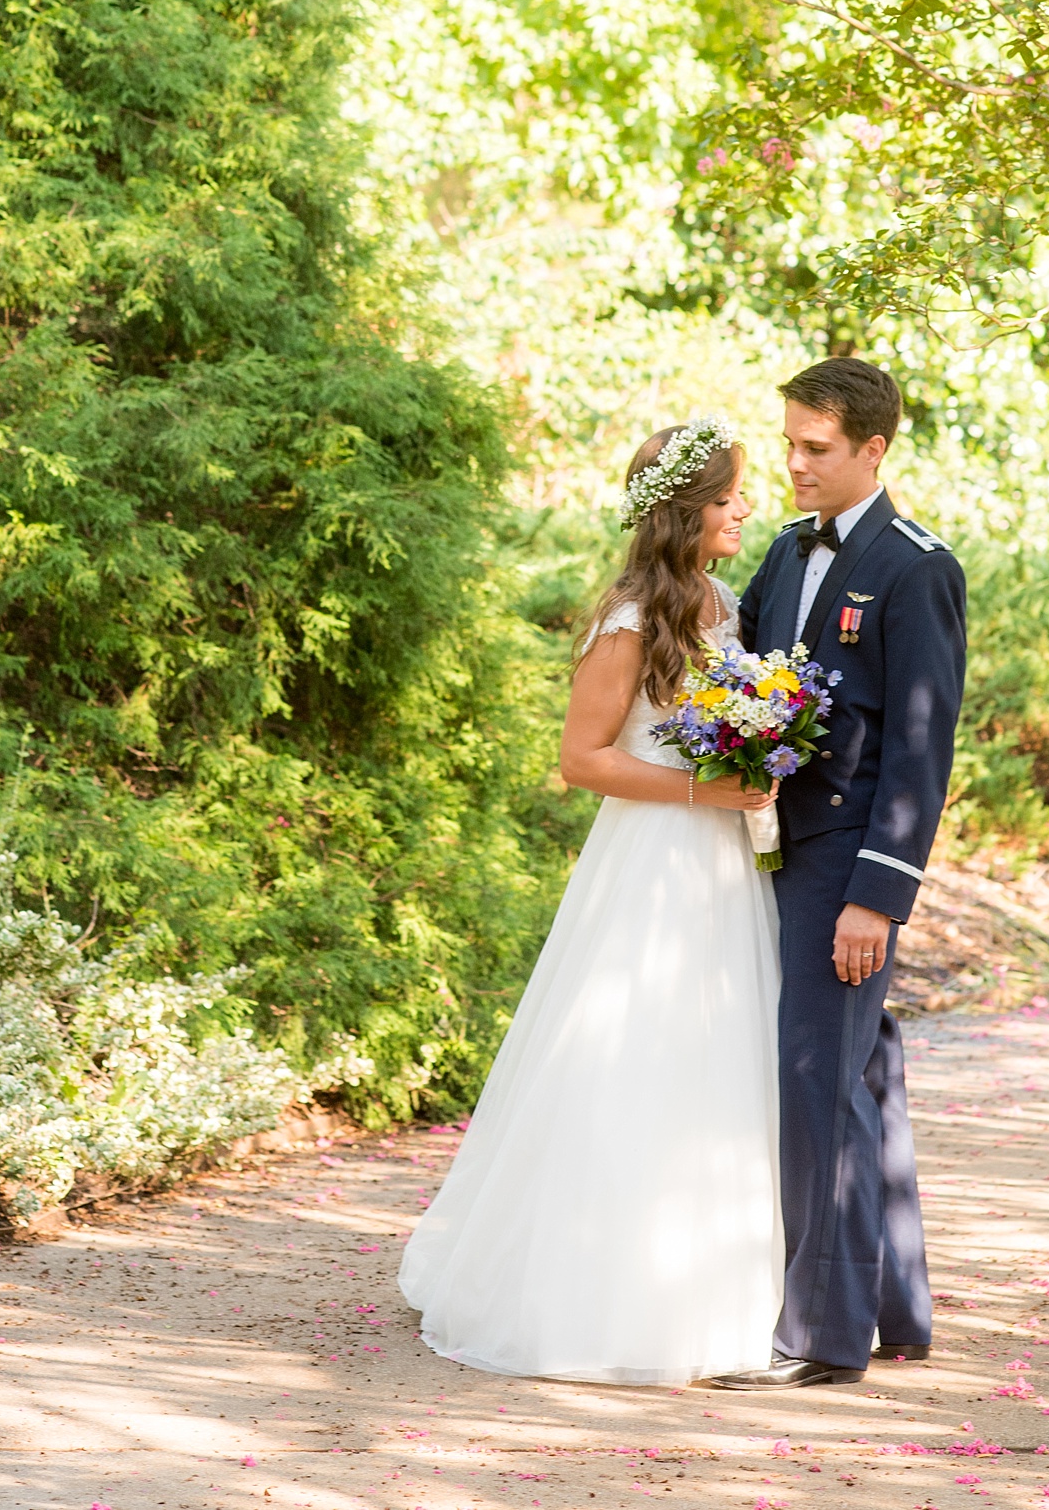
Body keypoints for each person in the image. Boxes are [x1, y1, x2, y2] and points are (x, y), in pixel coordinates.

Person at [399, 416, 783, 1386]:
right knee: (636, 1057)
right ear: (686, 509)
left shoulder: (722, 602)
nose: (743, 506)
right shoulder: (625, 618)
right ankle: (595, 1294)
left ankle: (711, 1286)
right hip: (651, 863)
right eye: (729, 492)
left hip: (722, 866)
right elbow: (581, 759)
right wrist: (707, 786)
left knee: (715, 1064)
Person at [701, 358, 965, 1391]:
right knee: (859, 1076)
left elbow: (918, 748)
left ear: (871, 449)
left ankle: (818, 1331)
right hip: (776, 851)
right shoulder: (780, 553)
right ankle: (892, 1306)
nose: (795, 463)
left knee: (816, 1080)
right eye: (789, 443)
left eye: (816, 447)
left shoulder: (914, 567)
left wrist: (876, 893)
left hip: (845, 868)